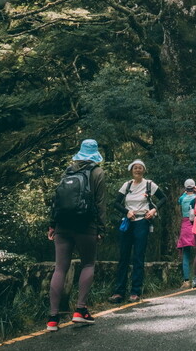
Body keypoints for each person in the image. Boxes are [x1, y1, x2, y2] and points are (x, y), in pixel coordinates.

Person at [46, 139, 106, 331]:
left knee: (60, 268)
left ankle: (53, 318)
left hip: (62, 225)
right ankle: (80, 310)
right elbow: (100, 203)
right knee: (88, 263)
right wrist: (101, 228)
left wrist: (52, 225)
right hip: (85, 225)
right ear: (95, 154)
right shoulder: (97, 172)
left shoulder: (68, 171)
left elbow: (56, 200)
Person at [109, 159, 167, 304]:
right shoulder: (126, 185)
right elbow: (115, 203)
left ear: (144, 170)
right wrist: (126, 211)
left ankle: (135, 292)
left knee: (138, 257)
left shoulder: (149, 184)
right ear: (131, 170)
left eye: (140, 167)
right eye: (135, 167)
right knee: (123, 257)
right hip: (128, 222)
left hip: (143, 222)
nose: (138, 170)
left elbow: (163, 198)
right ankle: (118, 292)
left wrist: (154, 210)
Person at [177, 178, 196, 288]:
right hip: (195, 224)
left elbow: (179, 201)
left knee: (186, 254)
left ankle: (186, 280)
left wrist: (185, 192)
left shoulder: (182, 198)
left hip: (185, 225)